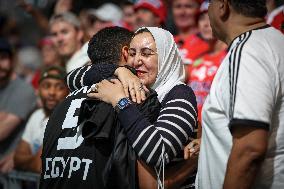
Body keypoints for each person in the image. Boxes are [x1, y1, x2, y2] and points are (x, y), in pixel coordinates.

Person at [40, 26, 161, 189]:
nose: (137, 59)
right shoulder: (134, 95)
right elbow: (148, 181)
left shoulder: (63, 101)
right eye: (133, 52)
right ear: (125, 53)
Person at [87, 27, 198, 188]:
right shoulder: (137, 88)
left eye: (146, 54)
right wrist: (120, 71)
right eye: (132, 54)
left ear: (166, 57)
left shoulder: (180, 93)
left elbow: (158, 152)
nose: (136, 61)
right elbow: (73, 77)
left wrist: (120, 101)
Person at [196, 0, 284, 188]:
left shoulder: (248, 50)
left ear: (223, 6)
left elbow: (250, 148)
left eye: (210, 2)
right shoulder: (274, 40)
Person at [14, 66, 69, 174]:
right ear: (38, 90)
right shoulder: (36, 116)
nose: (52, 92)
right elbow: (17, 159)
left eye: (59, 87)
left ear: (68, 91)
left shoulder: (68, 119)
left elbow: (42, 166)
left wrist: (28, 160)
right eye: (46, 86)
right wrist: (35, 159)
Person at [186, 0, 227, 136]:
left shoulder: (230, 55)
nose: (205, 24)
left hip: (218, 130)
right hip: (193, 130)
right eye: (201, 19)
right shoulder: (197, 58)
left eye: (209, 17)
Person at [0, 38, 36, 187]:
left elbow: (2, 131)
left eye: (3, 58)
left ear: (12, 60)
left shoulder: (23, 90)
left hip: (11, 177)